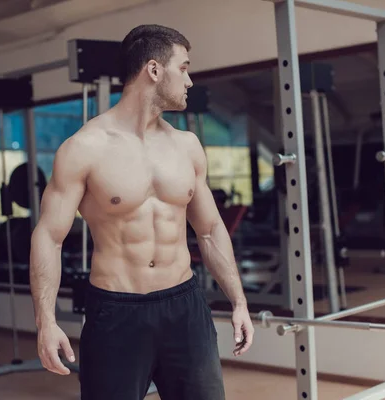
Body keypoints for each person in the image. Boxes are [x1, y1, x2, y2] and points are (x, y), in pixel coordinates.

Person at [29, 24, 254, 400]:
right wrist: (45, 321)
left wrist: (239, 302)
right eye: (183, 68)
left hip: (184, 306)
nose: (190, 80)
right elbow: (49, 237)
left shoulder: (187, 146)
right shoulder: (85, 148)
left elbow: (211, 229)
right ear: (154, 70)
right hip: (117, 312)